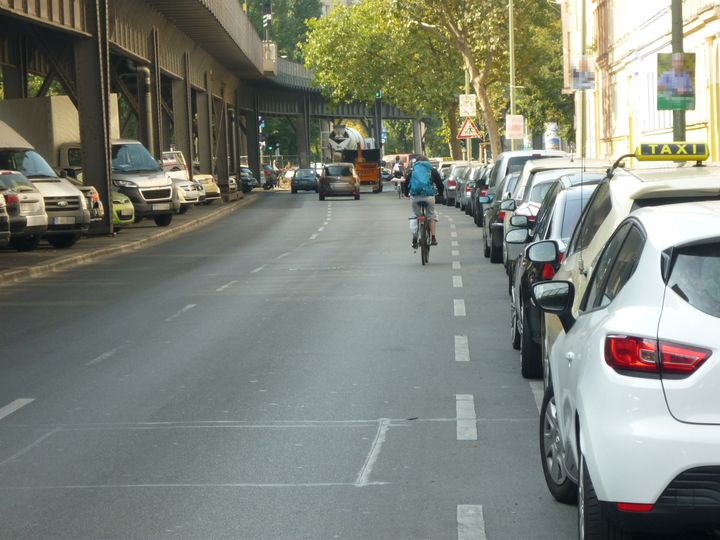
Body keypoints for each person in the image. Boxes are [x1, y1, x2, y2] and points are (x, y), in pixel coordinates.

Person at [405, 156, 444, 248]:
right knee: (431, 215)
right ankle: (433, 238)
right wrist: (441, 194)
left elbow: (406, 183)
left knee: (415, 216)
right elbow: (439, 184)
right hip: (429, 197)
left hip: (415, 197)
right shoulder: (432, 170)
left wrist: (406, 193)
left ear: (417, 162)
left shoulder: (412, 170)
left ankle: (414, 237)